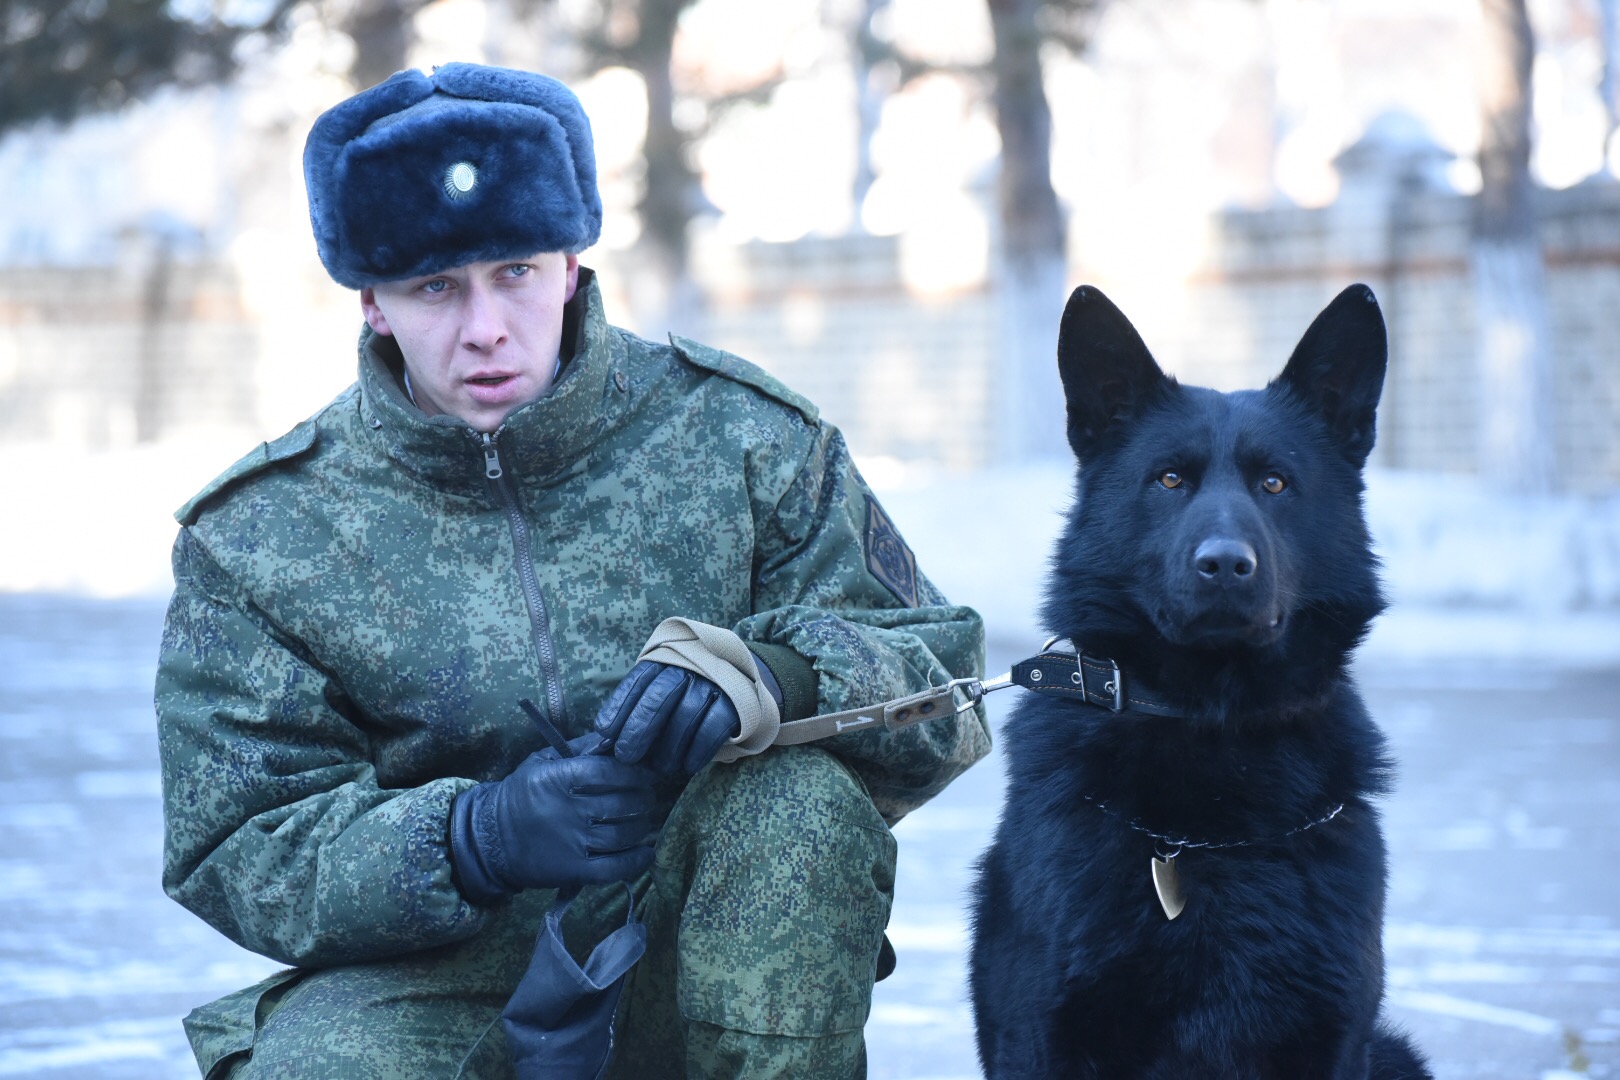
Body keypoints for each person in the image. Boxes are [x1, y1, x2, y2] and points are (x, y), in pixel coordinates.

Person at [155, 61, 990, 1079]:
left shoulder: (745, 441)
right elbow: (236, 842)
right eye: (435, 288)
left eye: (515, 271)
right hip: (439, 976)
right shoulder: (264, 534)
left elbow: (945, 689)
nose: (485, 329)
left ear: (571, 260)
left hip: (719, 941)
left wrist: (776, 679)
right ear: (372, 301)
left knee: (799, 806)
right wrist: (473, 837)